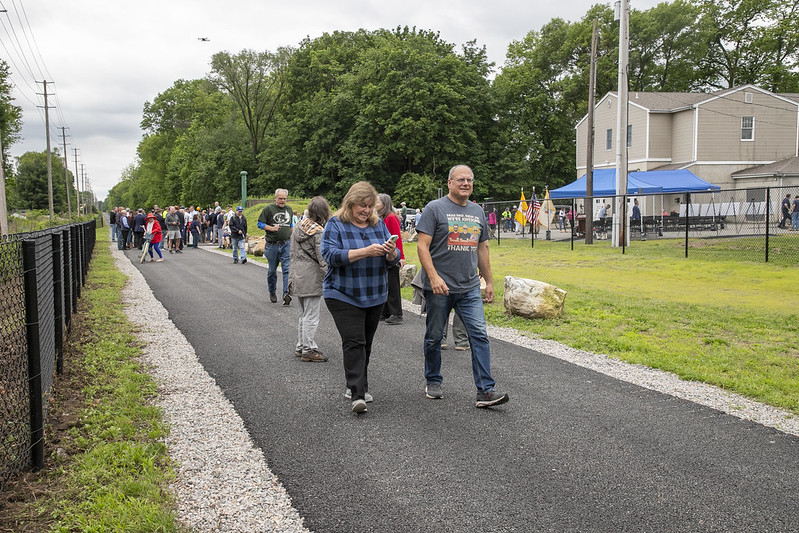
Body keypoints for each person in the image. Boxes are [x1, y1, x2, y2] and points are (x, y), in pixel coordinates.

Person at [416, 164, 509, 409]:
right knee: (435, 336)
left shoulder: (478, 211)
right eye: (460, 180)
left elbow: (482, 248)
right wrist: (433, 277)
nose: (465, 183)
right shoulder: (434, 209)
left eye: (469, 180)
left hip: (469, 287)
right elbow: (422, 246)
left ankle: (485, 391)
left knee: (479, 335)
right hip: (440, 287)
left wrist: (489, 281)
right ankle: (433, 380)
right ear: (449, 183)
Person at [321, 181, 399, 414]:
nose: (366, 211)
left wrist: (390, 252)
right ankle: (358, 393)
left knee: (366, 343)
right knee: (354, 341)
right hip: (342, 293)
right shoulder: (336, 224)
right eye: (361, 206)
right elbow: (330, 255)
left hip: (374, 293)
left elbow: (393, 261)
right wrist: (366, 251)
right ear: (350, 204)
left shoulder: (379, 225)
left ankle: (355, 384)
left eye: (369, 206)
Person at [289, 196, 330, 363]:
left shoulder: (298, 226)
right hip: (311, 276)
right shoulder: (318, 231)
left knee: (303, 314)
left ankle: (301, 345)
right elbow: (323, 258)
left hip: (297, 274)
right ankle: (309, 348)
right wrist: (331, 275)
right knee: (311, 315)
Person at [258, 189, 294, 305]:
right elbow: (260, 224)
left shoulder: (289, 210)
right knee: (272, 271)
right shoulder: (268, 209)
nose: (282, 201)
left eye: (284, 199)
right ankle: (272, 291)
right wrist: (271, 228)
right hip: (272, 245)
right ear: (275, 198)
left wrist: (293, 234)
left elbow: (291, 225)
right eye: (280, 198)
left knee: (287, 270)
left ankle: (286, 294)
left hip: (286, 244)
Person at [377, 193, 405, 325]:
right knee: (387, 283)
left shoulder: (391, 218)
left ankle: (396, 313)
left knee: (393, 285)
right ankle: (386, 311)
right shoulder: (383, 218)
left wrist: (401, 257)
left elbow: (397, 238)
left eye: (378, 202)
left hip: (393, 255)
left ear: (384, 204)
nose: (375, 204)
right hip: (385, 254)